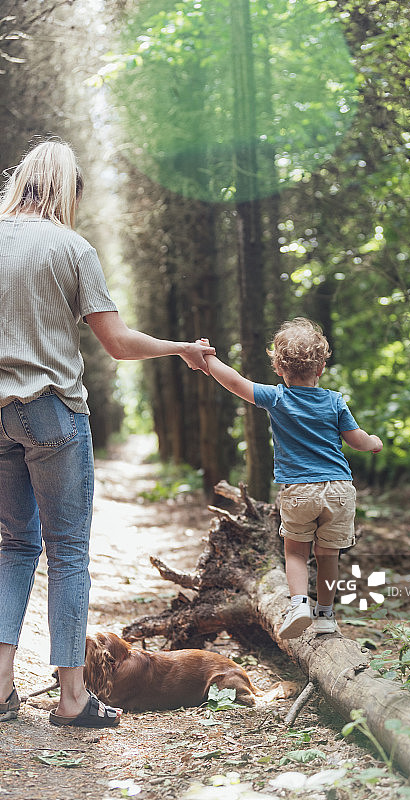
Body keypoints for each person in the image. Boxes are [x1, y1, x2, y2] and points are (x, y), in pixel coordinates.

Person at [0, 139, 215, 727]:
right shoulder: (72, 247)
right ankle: (72, 699)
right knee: (67, 552)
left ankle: (0, 689)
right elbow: (117, 343)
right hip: (52, 413)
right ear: (67, 190)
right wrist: (181, 348)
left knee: (13, 547)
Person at [200, 317, 383, 639]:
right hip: (339, 489)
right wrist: (374, 442)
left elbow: (235, 382)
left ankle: (298, 604)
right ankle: (325, 616)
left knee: (296, 552)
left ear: (279, 368)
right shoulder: (334, 401)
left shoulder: (277, 397)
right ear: (321, 368)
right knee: (328, 556)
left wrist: (209, 359)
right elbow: (357, 440)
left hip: (299, 490)